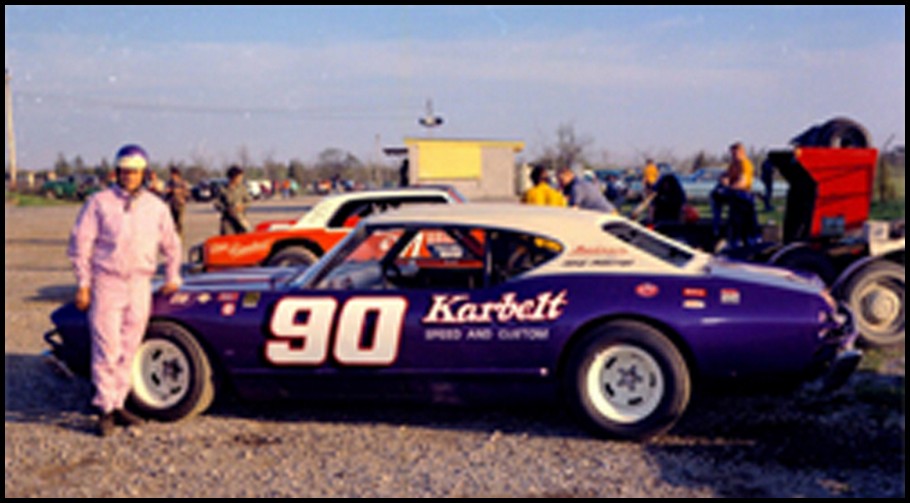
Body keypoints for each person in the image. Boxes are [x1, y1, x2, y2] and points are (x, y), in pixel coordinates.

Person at [67, 144, 182, 437]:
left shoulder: (156, 206)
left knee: (130, 346)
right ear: (117, 172)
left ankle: (119, 402)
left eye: (135, 172)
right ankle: (105, 407)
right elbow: (81, 243)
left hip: (140, 284)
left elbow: (171, 243)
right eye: (125, 172)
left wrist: (172, 275)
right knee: (107, 347)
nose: (130, 177)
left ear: (144, 173)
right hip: (108, 283)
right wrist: (83, 284)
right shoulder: (99, 203)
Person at [710, 142, 760, 246]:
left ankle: (746, 238)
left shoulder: (745, 164)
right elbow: (726, 175)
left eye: (735, 154)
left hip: (744, 193)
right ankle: (717, 225)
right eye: (732, 154)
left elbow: (743, 182)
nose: (733, 156)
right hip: (733, 192)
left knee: (737, 202)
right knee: (715, 194)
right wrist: (724, 179)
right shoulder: (733, 164)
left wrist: (730, 187)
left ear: (742, 152)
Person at [215, 165, 251, 235]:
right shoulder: (223, 189)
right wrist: (225, 208)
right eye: (239, 177)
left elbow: (248, 201)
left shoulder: (242, 188)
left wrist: (243, 206)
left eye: (241, 177)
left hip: (241, 219)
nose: (240, 179)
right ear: (233, 177)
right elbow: (216, 203)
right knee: (228, 240)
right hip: (228, 221)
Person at [164, 166, 190, 240]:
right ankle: (174, 237)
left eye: (173, 174)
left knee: (180, 222)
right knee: (173, 222)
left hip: (180, 204)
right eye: (171, 174)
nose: (172, 176)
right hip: (172, 204)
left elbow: (187, 192)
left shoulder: (183, 182)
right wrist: (168, 191)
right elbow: (166, 191)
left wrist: (179, 191)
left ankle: (180, 237)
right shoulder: (169, 182)